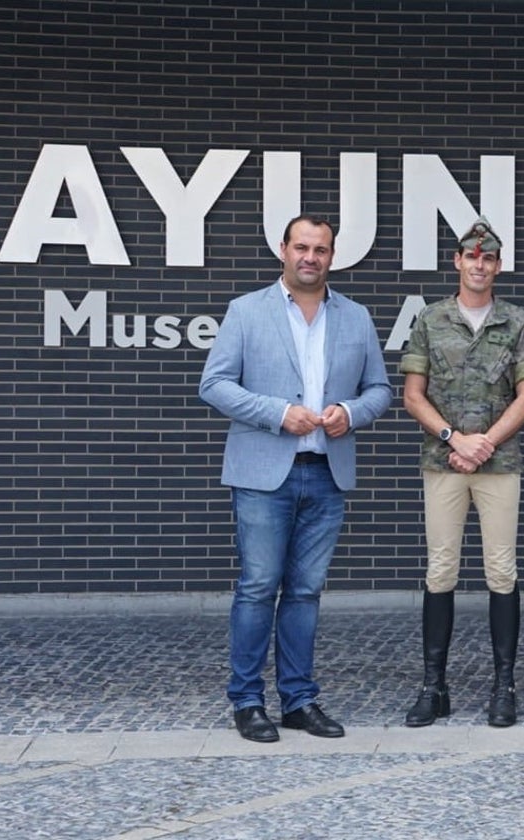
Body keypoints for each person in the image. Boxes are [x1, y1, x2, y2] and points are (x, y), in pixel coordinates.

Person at [199, 213, 392, 743]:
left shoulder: (354, 317)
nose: (311, 257)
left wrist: (349, 414)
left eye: (321, 250)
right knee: (260, 586)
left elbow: (379, 389)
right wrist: (277, 411)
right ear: (282, 249)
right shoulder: (246, 311)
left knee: (305, 591)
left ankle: (299, 700)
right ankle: (247, 701)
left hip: (326, 473)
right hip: (264, 473)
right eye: (301, 247)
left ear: (333, 256)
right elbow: (213, 384)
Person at [398, 216, 524, 728]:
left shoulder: (516, 320)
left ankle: (503, 687)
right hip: (443, 462)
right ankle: (433, 686)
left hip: (498, 464)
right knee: (441, 571)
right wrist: (453, 439)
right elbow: (413, 395)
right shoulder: (430, 320)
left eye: (488, 258)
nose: (479, 265)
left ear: (497, 266)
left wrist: (484, 444)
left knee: (501, 572)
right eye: (471, 256)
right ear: (457, 262)